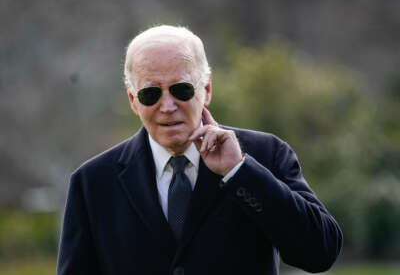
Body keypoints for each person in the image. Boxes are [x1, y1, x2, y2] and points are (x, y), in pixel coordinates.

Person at [57, 25, 342, 275]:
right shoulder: (92, 183)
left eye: (181, 90)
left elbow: (320, 252)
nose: (167, 106)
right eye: (151, 93)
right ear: (133, 100)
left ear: (206, 88)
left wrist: (239, 171)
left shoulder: (265, 154)